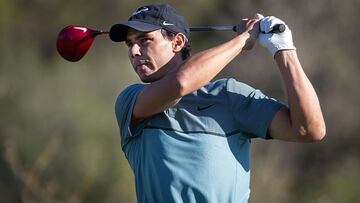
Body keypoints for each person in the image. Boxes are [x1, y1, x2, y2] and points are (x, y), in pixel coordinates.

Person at [109, 3, 326, 203]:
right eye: (130, 44)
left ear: (177, 42)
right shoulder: (131, 100)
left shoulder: (229, 95)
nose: (134, 52)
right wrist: (242, 40)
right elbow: (180, 83)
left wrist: (283, 49)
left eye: (144, 40)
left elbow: (309, 129)